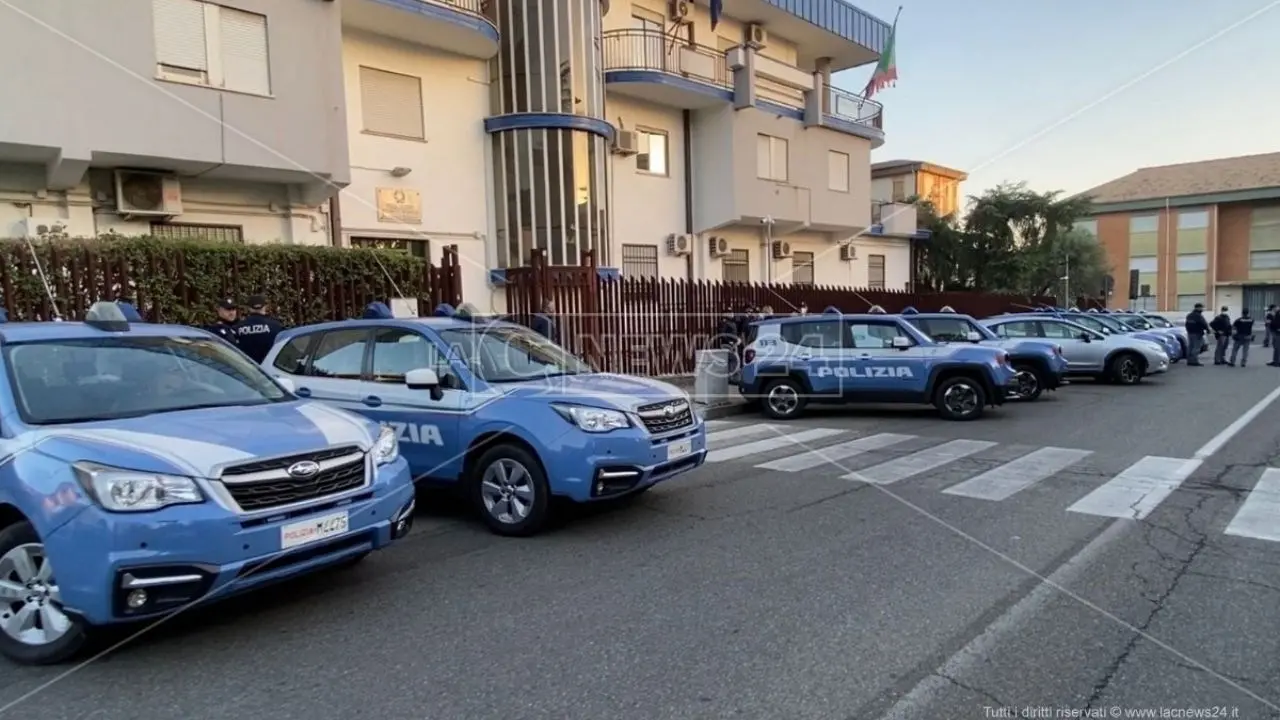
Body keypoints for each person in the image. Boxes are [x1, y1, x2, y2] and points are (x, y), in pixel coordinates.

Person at [235, 294, 284, 363]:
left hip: (246, 367)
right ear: (264, 307)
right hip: (269, 367)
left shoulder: (238, 327)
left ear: (249, 308)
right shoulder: (275, 325)